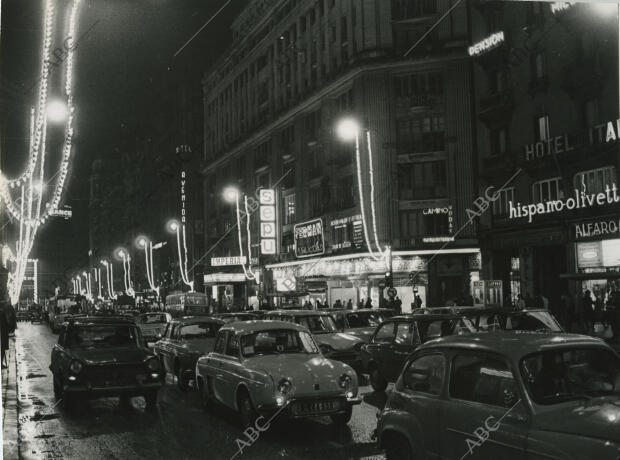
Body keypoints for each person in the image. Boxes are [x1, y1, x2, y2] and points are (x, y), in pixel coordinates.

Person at [0, 303, 9, 369]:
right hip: (2, 334)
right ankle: (1, 363)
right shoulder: (2, 313)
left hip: (2, 334)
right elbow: (6, 323)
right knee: (2, 349)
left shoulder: (2, 313)